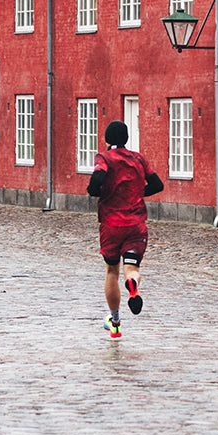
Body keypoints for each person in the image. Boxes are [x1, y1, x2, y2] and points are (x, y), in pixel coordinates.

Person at [85, 120, 164, 339]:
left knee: (112, 270)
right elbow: (158, 184)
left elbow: (98, 176)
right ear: (126, 138)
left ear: (107, 139)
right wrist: (137, 194)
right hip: (136, 224)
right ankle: (133, 285)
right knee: (132, 267)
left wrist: (94, 191)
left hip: (111, 225)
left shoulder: (104, 158)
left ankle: (115, 321)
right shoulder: (138, 159)